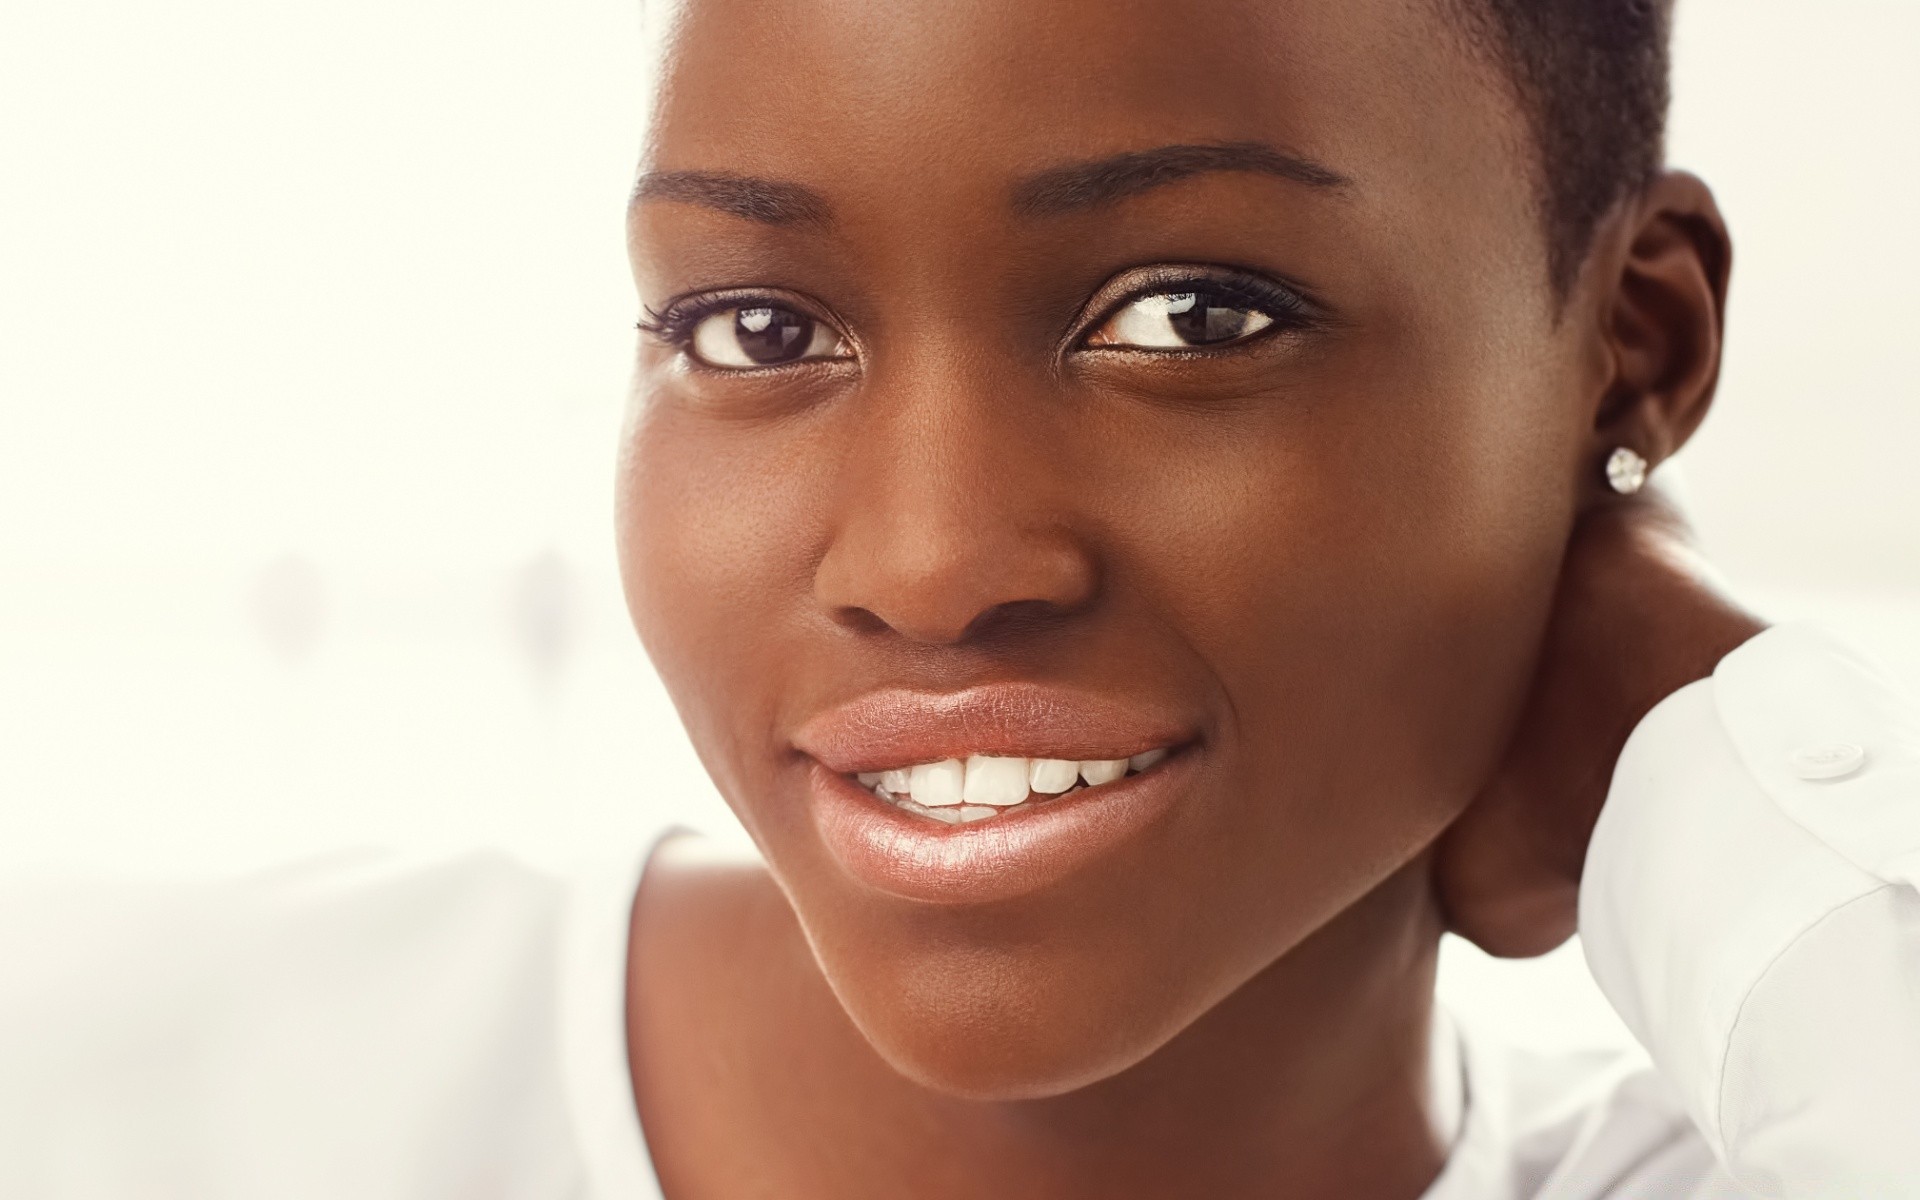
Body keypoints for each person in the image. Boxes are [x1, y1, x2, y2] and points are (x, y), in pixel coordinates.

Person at [2, 0, 1915, 1196]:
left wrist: (1717, 770)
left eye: (1193, 315)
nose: (931, 567)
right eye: (756, 326)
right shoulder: (102, 1080)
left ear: (1636, 342)